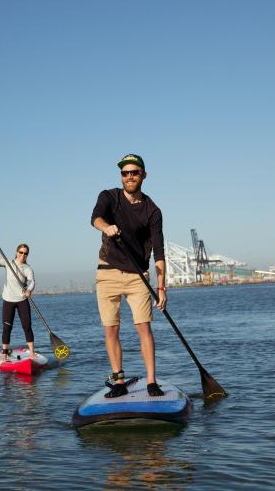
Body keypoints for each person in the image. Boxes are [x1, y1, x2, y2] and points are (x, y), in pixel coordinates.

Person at [91, 153, 167, 398]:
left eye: (134, 172)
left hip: (138, 276)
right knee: (111, 329)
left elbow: (159, 251)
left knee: (143, 327)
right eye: (125, 173)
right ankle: (119, 380)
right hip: (107, 272)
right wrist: (106, 227)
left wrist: (162, 288)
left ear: (143, 175)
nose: (130, 176)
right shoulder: (109, 197)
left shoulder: (152, 211)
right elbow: (96, 218)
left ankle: (152, 382)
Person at [0, 238, 37, 361]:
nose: (23, 255)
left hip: (22, 300)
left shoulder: (27, 268)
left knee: (27, 326)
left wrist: (29, 290)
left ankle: (32, 353)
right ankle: (5, 353)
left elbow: (32, 281)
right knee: (7, 328)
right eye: (21, 252)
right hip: (8, 300)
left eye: (25, 253)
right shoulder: (8, 262)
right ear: (16, 252)